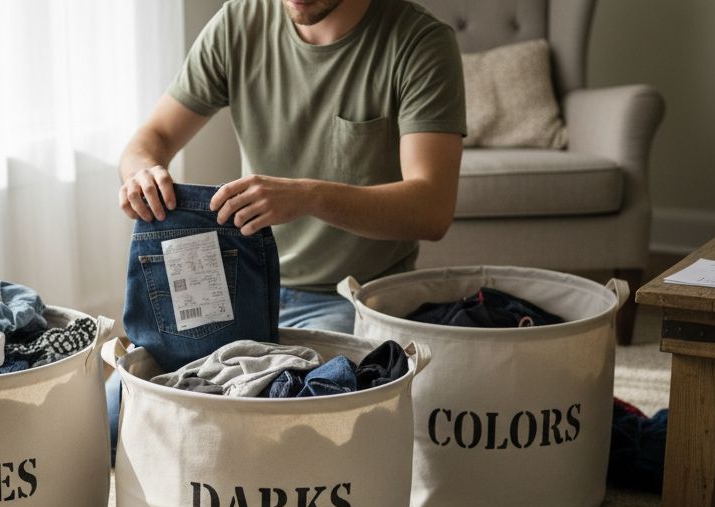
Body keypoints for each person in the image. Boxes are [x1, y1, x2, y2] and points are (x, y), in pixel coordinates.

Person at [118, 0, 466, 333]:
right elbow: (154, 136)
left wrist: (308, 197)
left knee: (296, 376)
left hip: (350, 296)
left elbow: (432, 209)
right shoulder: (236, 25)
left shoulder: (420, 42)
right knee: (139, 374)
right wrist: (142, 173)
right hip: (243, 280)